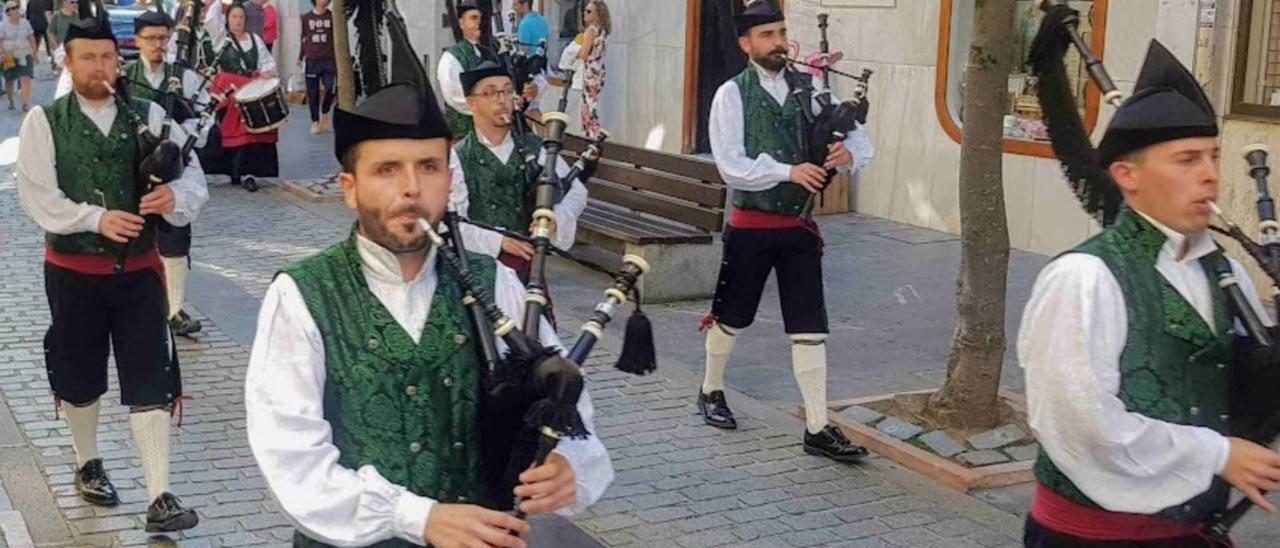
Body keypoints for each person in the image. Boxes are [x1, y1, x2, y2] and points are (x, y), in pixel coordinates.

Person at [244, 46, 612, 546]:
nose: (412, 189)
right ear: (350, 188)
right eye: (387, 169)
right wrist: (414, 516)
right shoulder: (303, 294)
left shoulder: (497, 284)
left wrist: (569, 464)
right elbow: (290, 458)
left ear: (448, 177)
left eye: (429, 167)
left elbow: (569, 410)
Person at [1019, 14, 1280, 546]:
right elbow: (1081, 425)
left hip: (1196, 532)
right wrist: (1219, 454)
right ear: (1127, 176)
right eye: (1186, 159)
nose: (1209, 174)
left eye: (1212, 157)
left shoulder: (1223, 271)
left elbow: (1236, 389)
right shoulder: (1084, 278)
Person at [14, 5, 207, 532]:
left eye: (106, 58)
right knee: (79, 373)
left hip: (140, 272)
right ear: (68, 64)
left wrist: (173, 196)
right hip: (72, 271)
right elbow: (36, 195)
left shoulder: (147, 112)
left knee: (151, 375)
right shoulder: (45, 120)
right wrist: (95, 218)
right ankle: (87, 461)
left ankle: (160, 494)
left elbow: (195, 181)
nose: (99, 67)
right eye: (87, 59)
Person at [696, 0, 873, 463]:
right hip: (750, 226)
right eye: (766, 36)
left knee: (809, 327)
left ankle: (817, 426)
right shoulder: (731, 94)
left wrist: (848, 154)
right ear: (745, 44)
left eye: (780, 33)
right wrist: (789, 172)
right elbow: (731, 166)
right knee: (732, 317)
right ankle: (711, 389)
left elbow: (855, 135)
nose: (777, 43)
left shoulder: (810, 86)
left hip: (798, 228)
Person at [449, 60, 587, 282]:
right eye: (491, 93)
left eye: (507, 91)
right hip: (478, 273)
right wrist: (498, 241)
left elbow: (576, 192)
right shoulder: (457, 157)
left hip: (528, 270)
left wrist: (554, 219)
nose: (502, 100)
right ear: (471, 103)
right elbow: (452, 222)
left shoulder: (535, 148)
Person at [121, 7, 212, 337]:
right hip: (132, 165)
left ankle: (174, 309)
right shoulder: (125, 74)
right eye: (152, 39)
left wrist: (187, 134)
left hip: (173, 165)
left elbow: (204, 113)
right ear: (138, 40)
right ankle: (133, 305)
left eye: (164, 37)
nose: (159, 44)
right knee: (133, 233)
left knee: (174, 238)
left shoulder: (183, 75)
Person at [202, 1, 277, 192]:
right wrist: (221, 2)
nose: (238, 21)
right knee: (234, 131)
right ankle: (235, 171)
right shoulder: (221, 39)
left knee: (255, 131)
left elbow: (267, 62)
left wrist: (267, 73)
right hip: (231, 92)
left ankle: (251, 173)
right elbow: (211, 19)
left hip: (252, 88)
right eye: (234, 17)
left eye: (241, 17)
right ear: (227, 19)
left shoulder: (254, 39)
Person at [438, 0, 491, 137]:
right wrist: (487, 108)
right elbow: (454, 96)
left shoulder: (486, 53)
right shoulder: (451, 57)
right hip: (463, 133)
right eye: (473, 18)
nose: (478, 22)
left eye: (480, 18)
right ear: (461, 23)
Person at [298, 0, 334, 134]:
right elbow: (304, 37)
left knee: (330, 88)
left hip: (329, 59)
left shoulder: (331, 17)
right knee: (313, 93)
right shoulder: (306, 18)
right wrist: (301, 56)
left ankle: (325, 112)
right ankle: (315, 121)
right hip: (312, 60)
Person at [576, 0, 608, 139]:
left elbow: (583, 54)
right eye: (585, 10)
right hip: (599, 71)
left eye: (589, 11)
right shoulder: (603, 31)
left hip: (590, 72)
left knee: (587, 106)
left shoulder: (591, 31)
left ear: (597, 14)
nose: (585, 13)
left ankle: (593, 135)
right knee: (591, 103)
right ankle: (591, 134)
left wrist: (574, 52)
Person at [1, 0, 37, 111]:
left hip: (24, 53)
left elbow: (31, 37)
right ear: (7, 13)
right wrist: (2, 53)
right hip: (9, 54)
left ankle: (25, 103)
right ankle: (10, 99)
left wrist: (34, 51)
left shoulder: (25, 22)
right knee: (9, 79)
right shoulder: (3, 26)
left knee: (25, 77)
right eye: (12, 8)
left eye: (16, 7)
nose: (15, 10)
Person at [25, 0, 52, 72]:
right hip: (43, 24)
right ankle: (47, 57)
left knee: (37, 42)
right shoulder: (31, 2)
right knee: (44, 42)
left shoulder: (30, 2)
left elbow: (27, 16)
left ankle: (36, 57)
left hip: (36, 24)